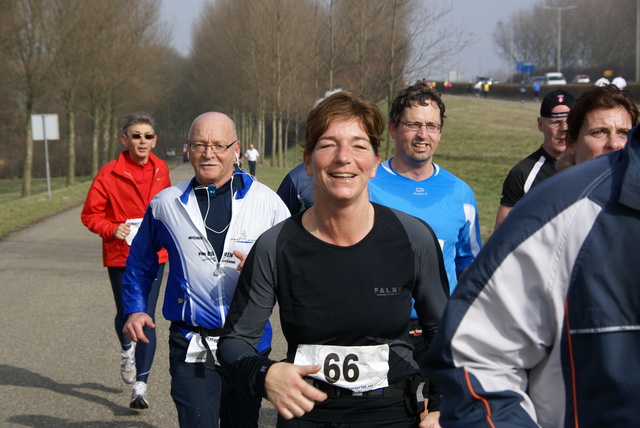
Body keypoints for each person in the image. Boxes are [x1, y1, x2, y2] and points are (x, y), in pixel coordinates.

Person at [217, 91, 450, 428]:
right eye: (328, 145)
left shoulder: (413, 238)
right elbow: (235, 342)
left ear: (374, 162)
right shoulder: (275, 246)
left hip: (392, 415)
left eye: (358, 145)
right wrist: (265, 374)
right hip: (305, 416)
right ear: (308, 162)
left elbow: (442, 329)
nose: (344, 158)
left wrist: (442, 403)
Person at [423, 122, 640, 427]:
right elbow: (478, 359)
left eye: (621, 132)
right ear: (572, 142)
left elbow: (467, 255)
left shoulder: (459, 190)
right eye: (598, 131)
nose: (613, 143)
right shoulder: (555, 203)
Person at [122, 112, 290, 428]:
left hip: (249, 344)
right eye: (199, 144)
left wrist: (265, 271)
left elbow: (295, 273)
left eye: (218, 145)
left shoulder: (269, 204)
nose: (208, 153)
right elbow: (140, 263)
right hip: (191, 343)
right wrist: (134, 309)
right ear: (188, 148)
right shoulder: (165, 203)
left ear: (236, 149)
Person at [368, 81, 481, 413]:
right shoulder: (368, 186)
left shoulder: (461, 194)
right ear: (392, 129)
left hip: (440, 334)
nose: (423, 134)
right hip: (382, 333)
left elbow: (471, 267)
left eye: (431, 126)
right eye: (413, 124)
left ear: (440, 133)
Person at [80, 112, 171, 409]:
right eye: (136, 136)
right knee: (125, 314)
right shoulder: (108, 173)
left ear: (154, 140)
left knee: (146, 315)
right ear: (125, 139)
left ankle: (141, 387)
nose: (142, 141)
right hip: (121, 255)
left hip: (155, 256)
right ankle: (125, 348)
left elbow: (167, 209)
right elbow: (90, 215)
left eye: (147, 136)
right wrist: (112, 228)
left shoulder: (162, 170)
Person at [494, 89, 575, 228]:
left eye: (569, 121)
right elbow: (502, 232)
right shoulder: (523, 173)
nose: (564, 128)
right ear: (540, 124)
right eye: (556, 122)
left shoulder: (591, 166)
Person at [556, 84, 638, 172]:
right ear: (570, 144)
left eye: (623, 133)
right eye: (599, 132)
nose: (614, 144)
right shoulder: (554, 185)